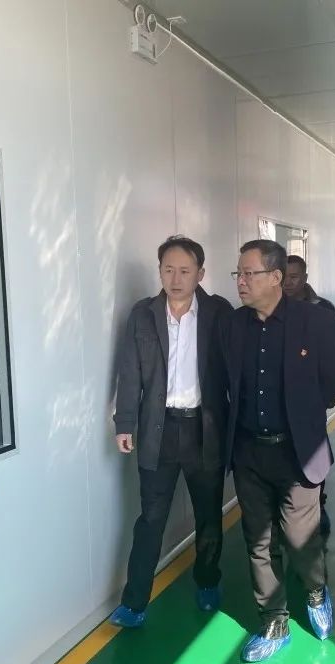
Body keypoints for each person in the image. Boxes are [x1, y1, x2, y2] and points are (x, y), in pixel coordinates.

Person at [223, 239, 335, 662]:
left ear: (275, 277)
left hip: (297, 451)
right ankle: (274, 622)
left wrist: (303, 417)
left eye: (248, 273)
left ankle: (315, 590)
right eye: (238, 274)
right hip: (249, 451)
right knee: (258, 540)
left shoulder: (315, 320)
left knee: (299, 537)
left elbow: (331, 382)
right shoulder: (234, 324)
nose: (240, 281)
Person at [110, 236, 232, 628]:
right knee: (150, 518)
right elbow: (129, 372)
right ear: (159, 271)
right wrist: (124, 423)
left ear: (200, 273)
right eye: (168, 270)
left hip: (204, 430)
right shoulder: (143, 314)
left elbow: (234, 372)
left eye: (184, 271)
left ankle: (207, 581)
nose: (175, 279)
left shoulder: (218, 312)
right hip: (157, 430)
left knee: (208, 516)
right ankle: (134, 602)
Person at [283, 254, 335, 534]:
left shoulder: (323, 309)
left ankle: (318, 503)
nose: (288, 283)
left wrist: (329, 394)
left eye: (294, 277)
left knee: (313, 455)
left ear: (305, 278)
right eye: (284, 277)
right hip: (283, 400)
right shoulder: (272, 308)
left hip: (311, 400)